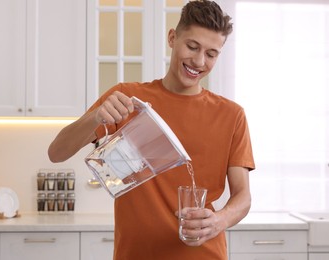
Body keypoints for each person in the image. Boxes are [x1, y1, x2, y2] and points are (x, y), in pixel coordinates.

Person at [48, 0, 255, 259]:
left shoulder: (231, 115)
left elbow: (243, 196)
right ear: (172, 38)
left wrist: (219, 220)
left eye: (211, 54)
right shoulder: (128, 99)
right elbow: (56, 153)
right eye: (192, 46)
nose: (199, 61)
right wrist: (95, 118)